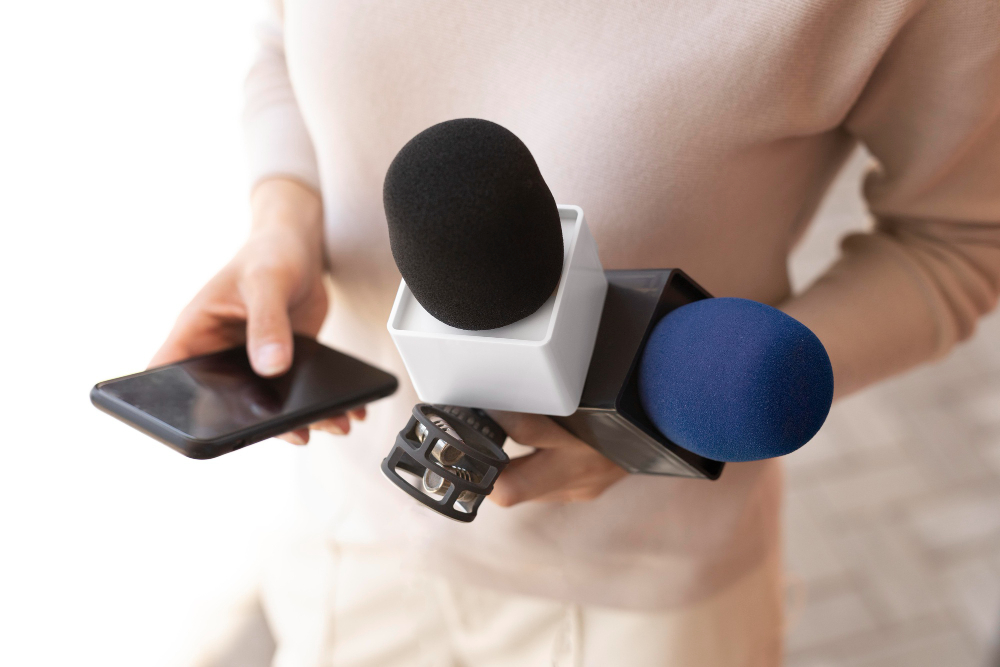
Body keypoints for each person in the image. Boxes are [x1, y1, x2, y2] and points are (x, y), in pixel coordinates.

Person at [153, 1, 1000, 665]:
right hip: (348, 529)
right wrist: (284, 217)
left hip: (640, 597)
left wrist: (673, 410)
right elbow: (281, 41)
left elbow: (958, 241)